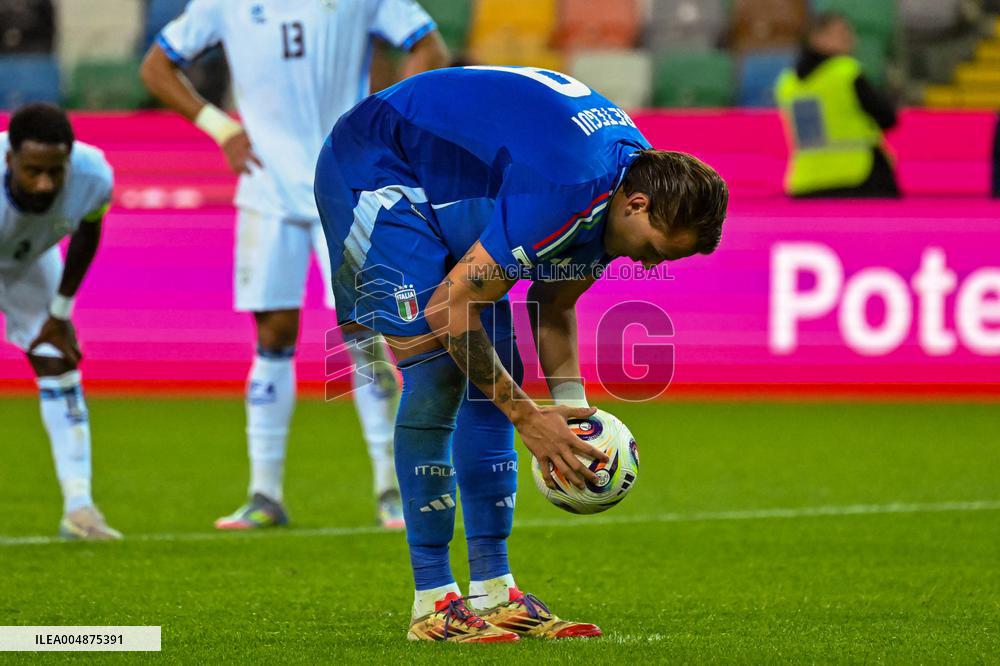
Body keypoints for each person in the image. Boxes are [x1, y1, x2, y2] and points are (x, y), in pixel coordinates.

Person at [314, 66, 728, 642]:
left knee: (496, 362)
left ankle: (493, 592)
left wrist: (570, 410)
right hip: (379, 161)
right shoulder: (570, 188)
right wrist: (529, 419)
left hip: (455, 174)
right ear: (636, 206)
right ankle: (433, 601)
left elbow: (555, 305)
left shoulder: (628, 188)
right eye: (656, 251)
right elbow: (448, 309)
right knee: (438, 369)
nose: (651, 266)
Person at [139, 0, 449, 530]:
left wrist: (382, 118)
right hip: (266, 184)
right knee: (273, 332)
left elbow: (429, 44)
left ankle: (390, 488)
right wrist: (221, 128)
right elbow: (155, 66)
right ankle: (264, 495)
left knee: (364, 331)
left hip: (348, 181)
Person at [1, 103, 120, 540]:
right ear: (10, 159)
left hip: (26, 260)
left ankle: (80, 509)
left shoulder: (93, 176)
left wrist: (60, 312)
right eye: (33, 171)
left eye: (55, 171)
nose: (45, 183)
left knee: (56, 358)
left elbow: (88, 232)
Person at [775, 12, 900, 198]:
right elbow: (887, 117)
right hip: (858, 177)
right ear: (815, 37)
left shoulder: (787, 82)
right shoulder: (846, 71)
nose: (850, 39)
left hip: (805, 182)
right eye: (841, 33)